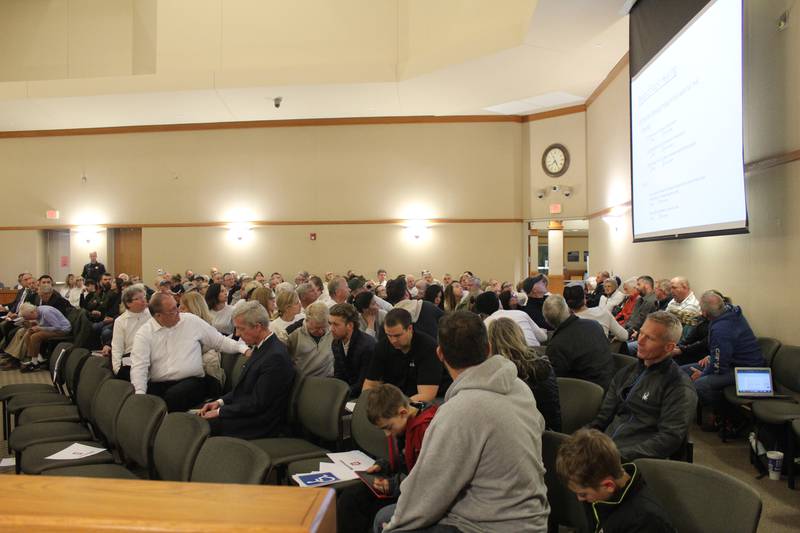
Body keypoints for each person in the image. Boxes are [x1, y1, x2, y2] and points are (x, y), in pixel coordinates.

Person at [375, 311, 549, 532]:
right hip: (533, 518)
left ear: (440, 354)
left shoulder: (456, 413)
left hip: (489, 525)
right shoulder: (520, 389)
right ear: (488, 349)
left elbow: (429, 490)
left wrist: (393, 525)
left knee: (384, 519)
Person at [589, 311, 697, 460]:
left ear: (669, 347)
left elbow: (668, 439)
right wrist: (585, 438)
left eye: (650, 338)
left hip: (636, 461)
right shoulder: (626, 373)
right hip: (606, 449)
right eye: (641, 333)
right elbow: (604, 416)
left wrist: (617, 457)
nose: (640, 341)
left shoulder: (678, 386)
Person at [338, 383, 438, 533]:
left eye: (388, 428)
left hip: (417, 495)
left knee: (370, 510)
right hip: (401, 483)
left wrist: (393, 485)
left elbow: (428, 479)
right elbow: (403, 457)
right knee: (350, 497)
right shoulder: (402, 422)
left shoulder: (427, 428)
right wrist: (384, 465)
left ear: (403, 412)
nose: (387, 434)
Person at [130, 293, 251, 412]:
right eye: (172, 311)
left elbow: (219, 341)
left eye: (177, 306)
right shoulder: (144, 333)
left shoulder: (191, 321)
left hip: (192, 381)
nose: (178, 312)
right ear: (158, 316)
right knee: (148, 401)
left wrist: (243, 349)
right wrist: (139, 395)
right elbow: (139, 366)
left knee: (174, 396)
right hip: (159, 383)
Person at [197, 301, 295, 439]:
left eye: (241, 328)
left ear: (257, 327)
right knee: (197, 417)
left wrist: (220, 412)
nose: (237, 333)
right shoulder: (262, 347)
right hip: (247, 412)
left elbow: (258, 403)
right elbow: (243, 389)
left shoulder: (275, 356)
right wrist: (220, 402)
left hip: (260, 423)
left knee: (199, 427)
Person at [556, 429, 674, 533]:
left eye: (583, 494)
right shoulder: (599, 494)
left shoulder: (646, 521)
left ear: (608, 485)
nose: (579, 499)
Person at [682, 290, 764, 408]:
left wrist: (703, 374)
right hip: (731, 362)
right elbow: (726, 350)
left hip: (746, 370)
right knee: (684, 371)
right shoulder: (730, 311)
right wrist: (712, 356)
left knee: (700, 384)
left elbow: (719, 366)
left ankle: (724, 413)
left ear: (705, 313)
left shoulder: (721, 329)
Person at [487, 317, 561, 432]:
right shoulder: (541, 362)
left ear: (490, 344)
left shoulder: (500, 376)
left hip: (531, 433)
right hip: (550, 430)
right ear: (520, 336)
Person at [363, 308, 445, 402]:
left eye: (397, 335)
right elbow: (369, 385)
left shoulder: (428, 348)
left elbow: (426, 395)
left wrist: (394, 408)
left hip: (428, 402)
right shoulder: (382, 347)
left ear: (410, 328)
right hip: (395, 400)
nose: (393, 340)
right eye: (389, 335)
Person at [543, 294, 614, 390]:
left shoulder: (556, 345)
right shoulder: (594, 325)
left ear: (547, 321)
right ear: (568, 310)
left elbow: (554, 381)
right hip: (611, 386)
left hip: (583, 394)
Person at [330, 303, 375, 397]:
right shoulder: (336, 343)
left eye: (336, 324)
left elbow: (363, 383)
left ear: (350, 325)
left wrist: (340, 396)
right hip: (347, 393)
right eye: (330, 323)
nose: (331, 329)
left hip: (364, 396)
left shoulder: (367, 347)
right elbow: (339, 374)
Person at [107, 284, 151, 381]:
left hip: (151, 354)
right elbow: (117, 347)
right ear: (128, 303)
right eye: (138, 298)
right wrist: (117, 369)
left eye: (143, 297)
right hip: (131, 356)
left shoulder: (152, 315)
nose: (143, 300)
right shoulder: (121, 321)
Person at [475, 291, 546, 346]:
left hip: (505, 361)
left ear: (482, 313)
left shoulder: (484, 326)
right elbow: (543, 337)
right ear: (499, 302)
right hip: (533, 354)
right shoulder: (520, 313)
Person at [16, 303, 71, 372]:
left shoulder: (46, 313)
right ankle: (38, 358)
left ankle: (35, 363)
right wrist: (35, 323)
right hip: (54, 328)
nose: (28, 319)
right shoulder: (37, 310)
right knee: (28, 333)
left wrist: (40, 328)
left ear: (32, 312)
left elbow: (57, 327)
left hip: (63, 330)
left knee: (35, 337)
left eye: (28, 317)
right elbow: (44, 323)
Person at [563, 285, 628, 342]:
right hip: (602, 354)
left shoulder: (566, 323)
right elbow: (624, 336)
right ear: (584, 299)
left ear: (567, 304)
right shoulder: (603, 312)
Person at [286, 301, 334, 378]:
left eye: (324, 327)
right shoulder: (294, 334)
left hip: (327, 379)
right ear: (307, 320)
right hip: (303, 380)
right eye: (317, 328)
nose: (321, 331)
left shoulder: (333, 330)